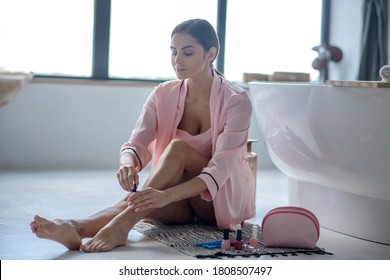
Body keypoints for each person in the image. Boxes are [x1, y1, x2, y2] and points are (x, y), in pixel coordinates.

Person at [30, 18, 255, 253]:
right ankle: (73, 226)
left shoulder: (236, 102)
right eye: (174, 51)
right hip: (178, 201)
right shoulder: (163, 94)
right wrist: (128, 163)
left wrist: (164, 195)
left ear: (211, 53)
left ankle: (119, 227)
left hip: (217, 203)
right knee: (137, 202)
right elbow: (136, 143)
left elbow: (219, 170)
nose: (177, 60)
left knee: (177, 150)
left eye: (187, 52)